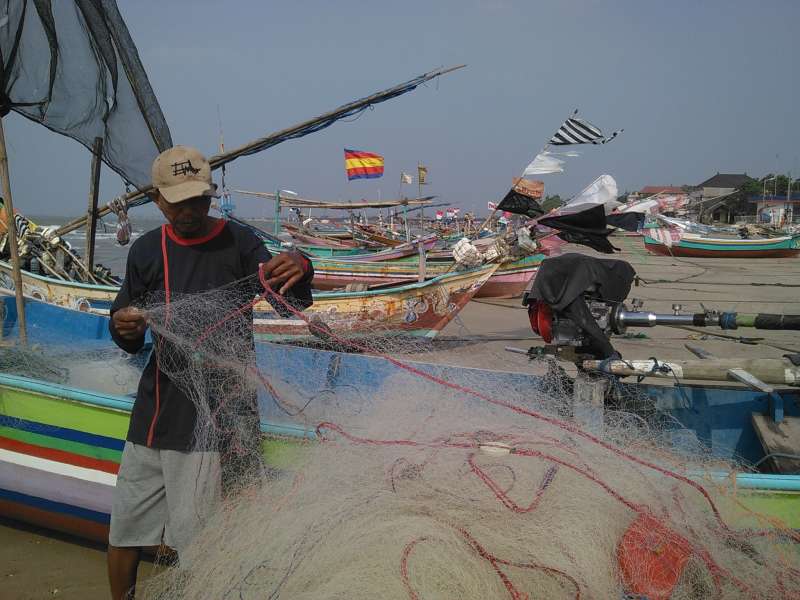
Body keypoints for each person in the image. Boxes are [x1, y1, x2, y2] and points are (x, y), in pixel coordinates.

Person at [106, 145, 313, 599]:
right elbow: (127, 333)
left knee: (201, 545)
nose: (189, 211)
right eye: (178, 202)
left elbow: (288, 296)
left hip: (217, 418)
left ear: (211, 194)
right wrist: (120, 324)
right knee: (124, 530)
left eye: (198, 199)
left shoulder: (240, 243)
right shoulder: (145, 251)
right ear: (158, 199)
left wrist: (301, 265)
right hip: (153, 414)